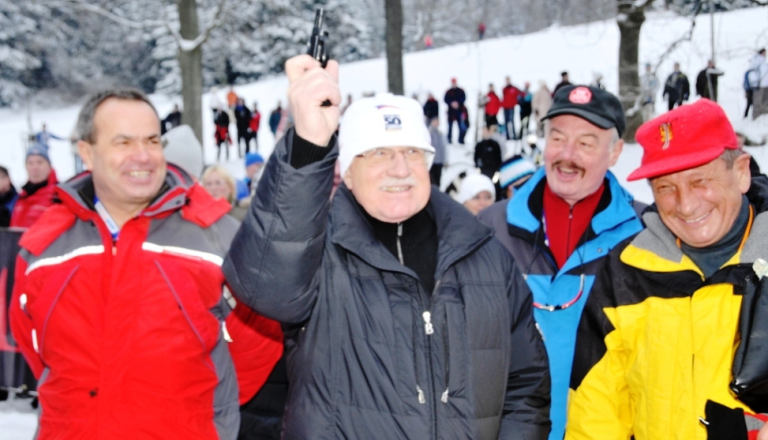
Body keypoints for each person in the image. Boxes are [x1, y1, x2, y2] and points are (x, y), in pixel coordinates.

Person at [224, 55, 552, 440]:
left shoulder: (486, 256)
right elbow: (266, 287)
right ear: (347, 171)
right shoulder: (315, 255)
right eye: (378, 152)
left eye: (412, 152)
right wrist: (308, 147)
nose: (399, 168)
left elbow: (527, 386)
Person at [8, 88, 280, 439]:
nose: (142, 156)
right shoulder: (43, 245)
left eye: (152, 141)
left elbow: (258, 340)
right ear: (87, 153)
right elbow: (33, 343)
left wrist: (197, 410)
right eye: (123, 143)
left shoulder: (218, 235)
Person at [566, 99, 768, 440]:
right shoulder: (624, 274)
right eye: (665, 188)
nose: (686, 204)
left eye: (700, 180)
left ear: (741, 172)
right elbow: (594, 419)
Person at [477, 85, 644, 440]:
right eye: (557, 138)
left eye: (586, 143)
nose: (567, 155)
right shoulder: (489, 229)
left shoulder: (644, 234)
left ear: (615, 152)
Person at [10, 143, 58, 229]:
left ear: (49, 166)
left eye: (40, 162)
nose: (35, 167)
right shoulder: (20, 197)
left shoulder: (58, 196)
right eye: (30, 163)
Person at [444, 77, 467, 144]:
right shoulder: (448, 91)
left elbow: (463, 98)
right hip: (451, 112)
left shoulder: (461, 91)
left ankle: (460, 140)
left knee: (461, 126)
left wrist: (458, 103)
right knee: (450, 127)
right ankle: (449, 140)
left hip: (459, 111)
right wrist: (451, 103)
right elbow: (445, 99)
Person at [428, 116, 447, 187]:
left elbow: (444, 148)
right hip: (431, 161)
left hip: (439, 161)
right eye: (435, 121)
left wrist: (445, 160)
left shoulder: (441, 134)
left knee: (438, 179)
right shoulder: (428, 133)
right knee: (431, 180)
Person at [749, 48, 768, 119]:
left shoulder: (764, 61)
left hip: (765, 84)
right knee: (758, 100)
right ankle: (756, 115)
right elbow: (752, 72)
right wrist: (755, 82)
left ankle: (763, 114)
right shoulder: (756, 60)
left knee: (765, 100)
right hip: (759, 84)